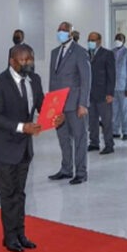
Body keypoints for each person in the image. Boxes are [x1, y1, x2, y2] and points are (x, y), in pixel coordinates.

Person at [0, 44, 65, 252]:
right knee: (8, 193)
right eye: (24, 60)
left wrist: (57, 117)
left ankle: (21, 233)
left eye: (31, 59)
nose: (29, 63)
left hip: (24, 148)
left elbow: (42, 107)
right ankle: (9, 237)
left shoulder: (34, 80)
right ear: (12, 61)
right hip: (3, 147)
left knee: (20, 193)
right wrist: (22, 127)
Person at [48, 21, 91, 185]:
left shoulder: (80, 52)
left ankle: (81, 173)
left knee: (80, 138)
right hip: (58, 104)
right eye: (59, 29)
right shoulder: (54, 53)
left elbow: (86, 79)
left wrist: (83, 104)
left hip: (75, 104)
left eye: (65, 30)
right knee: (63, 138)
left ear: (71, 33)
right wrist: (51, 104)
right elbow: (53, 79)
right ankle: (66, 169)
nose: (61, 32)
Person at [86, 32, 116, 154]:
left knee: (106, 121)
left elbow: (111, 75)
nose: (90, 42)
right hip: (90, 94)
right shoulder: (86, 54)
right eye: (89, 40)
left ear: (99, 41)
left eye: (93, 40)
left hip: (104, 94)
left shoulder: (107, 54)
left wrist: (110, 93)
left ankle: (109, 144)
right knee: (92, 120)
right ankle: (94, 143)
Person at [111, 33, 127, 141]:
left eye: (120, 39)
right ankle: (115, 131)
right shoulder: (111, 52)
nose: (117, 40)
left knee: (125, 111)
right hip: (113, 87)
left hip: (123, 87)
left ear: (124, 41)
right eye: (116, 38)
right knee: (114, 111)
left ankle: (126, 131)